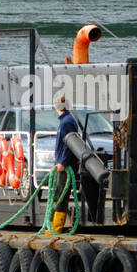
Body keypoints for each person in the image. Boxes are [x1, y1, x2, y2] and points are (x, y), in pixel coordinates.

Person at [49, 94, 80, 233]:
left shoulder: (66, 122)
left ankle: (56, 228)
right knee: (58, 194)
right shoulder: (66, 120)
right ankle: (54, 225)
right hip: (62, 164)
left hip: (66, 166)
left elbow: (69, 145)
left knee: (61, 195)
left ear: (57, 106)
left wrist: (62, 163)